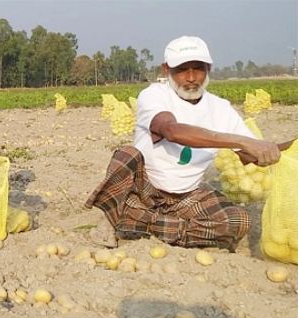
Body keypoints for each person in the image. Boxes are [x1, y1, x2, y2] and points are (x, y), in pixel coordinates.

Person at [86, 36, 291, 251]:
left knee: (237, 221)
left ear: (209, 68)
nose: (192, 78)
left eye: (199, 69)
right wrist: (239, 140)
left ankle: (136, 221)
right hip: (143, 190)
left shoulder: (220, 108)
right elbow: (172, 131)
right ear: (167, 70)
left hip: (186, 198)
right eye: (183, 70)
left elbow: (251, 154)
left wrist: (288, 145)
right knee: (126, 156)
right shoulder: (154, 95)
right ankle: (136, 221)